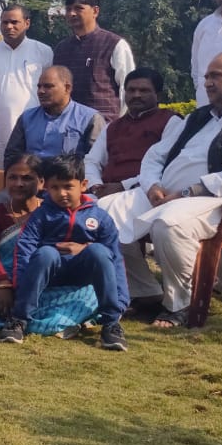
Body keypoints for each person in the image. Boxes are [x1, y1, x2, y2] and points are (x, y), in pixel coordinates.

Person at [97, 52, 222, 327]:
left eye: (215, 76)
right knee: (101, 215)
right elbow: (155, 156)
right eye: (206, 76)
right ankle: (145, 292)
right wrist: (152, 186)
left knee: (169, 224)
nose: (207, 82)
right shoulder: (200, 117)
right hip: (165, 196)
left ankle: (179, 305)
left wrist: (190, 192)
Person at [0, 154, 101, 336]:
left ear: (42, 183)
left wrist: (82, 248)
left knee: (91, 293)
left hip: (44, 286)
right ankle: (55, 322)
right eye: (13, 177)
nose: (19, 183)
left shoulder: (54, 212)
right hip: (3, 283)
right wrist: (3, 283)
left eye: (27, 178)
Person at [0, 154, 129, 350]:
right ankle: (19, 320)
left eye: (68, 186)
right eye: (55, 187)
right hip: (50, 275)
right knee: (46, 253)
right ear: (46, 187)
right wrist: (19, 288)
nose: (62, 193)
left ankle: (111, 324)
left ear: (83, 185)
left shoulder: (100, 218)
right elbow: (24, 250)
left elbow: (116, 260)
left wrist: (121, 301)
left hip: (83, 276)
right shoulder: (41, 215)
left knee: (99, 251)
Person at [85, 68, 180, 303]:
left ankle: (143, 292)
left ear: (158, 94)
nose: (136, 95)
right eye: (131, 90)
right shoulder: (114, 126)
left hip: (147, 192)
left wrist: (123, 186)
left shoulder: (171, 122)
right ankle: (93, 288)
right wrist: (96, 186)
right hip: (106, 191)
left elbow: (167, 166)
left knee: (109, 218)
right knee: (78, 213)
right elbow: (92, 161)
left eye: (144, 90)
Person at [0, 4, 53, 170]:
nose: (9, 26)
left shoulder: (43, 51)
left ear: (27, 23)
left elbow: (50, 91)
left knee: (31, 171)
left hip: (34, 127)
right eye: (5, 22)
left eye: (14, 22)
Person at [54, 0, 135, 122]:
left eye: (78, 8)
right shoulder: (61, 49)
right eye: (68, 9)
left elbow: (127, 87)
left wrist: (118, 124)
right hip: (67, 124)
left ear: (95, 11)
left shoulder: (114, 44)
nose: (72, 13)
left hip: (104, 124)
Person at [3, 65, 104, 166]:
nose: (41, 91)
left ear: (67, 88)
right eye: (39, 86)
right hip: (31, 175)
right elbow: (11, 156)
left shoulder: (90, 119)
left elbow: (97, 162)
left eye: (48, 86)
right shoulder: (27, 118)